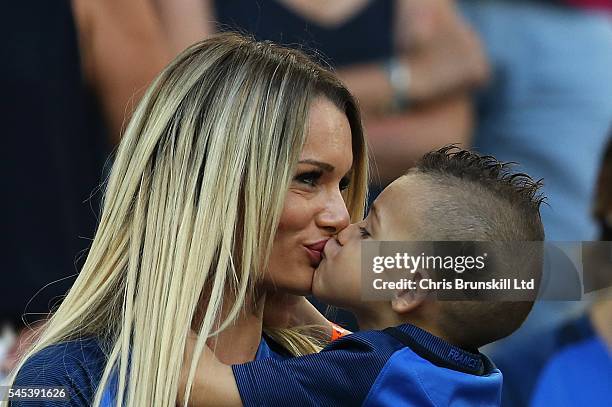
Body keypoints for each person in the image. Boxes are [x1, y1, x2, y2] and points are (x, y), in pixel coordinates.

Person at [5, 33, 368, 407]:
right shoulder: (64, 379)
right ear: (207, 182)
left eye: (343, 184)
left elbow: (432, 269)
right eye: (308, 179)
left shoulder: (343, 373)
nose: (340, 215)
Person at [178, 146, 546, 407]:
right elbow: (334, 338)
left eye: (368, 232)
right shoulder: (473, 377)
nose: (344, 226)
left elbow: (205, 387)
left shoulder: (368, 371)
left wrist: (149, 285)